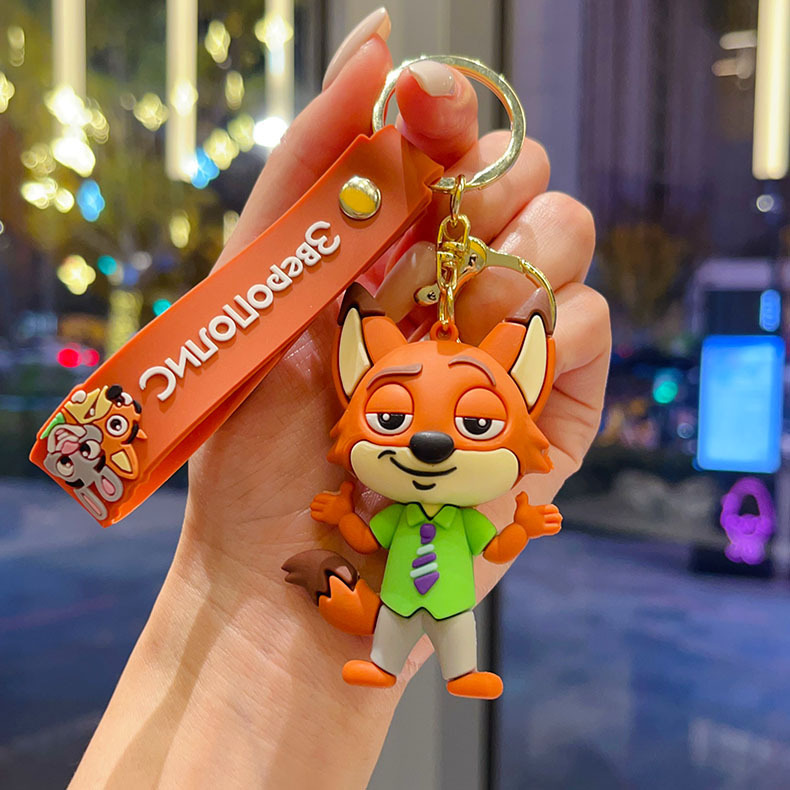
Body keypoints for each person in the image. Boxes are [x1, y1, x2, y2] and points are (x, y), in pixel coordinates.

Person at [69, 8, 610, 788]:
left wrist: (520, 520)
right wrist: (318, 531)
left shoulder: (456, 512)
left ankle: (457, 667)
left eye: (474, 422)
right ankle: (386, 659)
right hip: (383, 597)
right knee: (393, 629)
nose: (429, 443)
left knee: (451, 631)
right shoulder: (386, 490)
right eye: (392, 418)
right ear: (356, 386)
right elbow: (362, 523)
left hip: (431, 593)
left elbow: (486, 544)